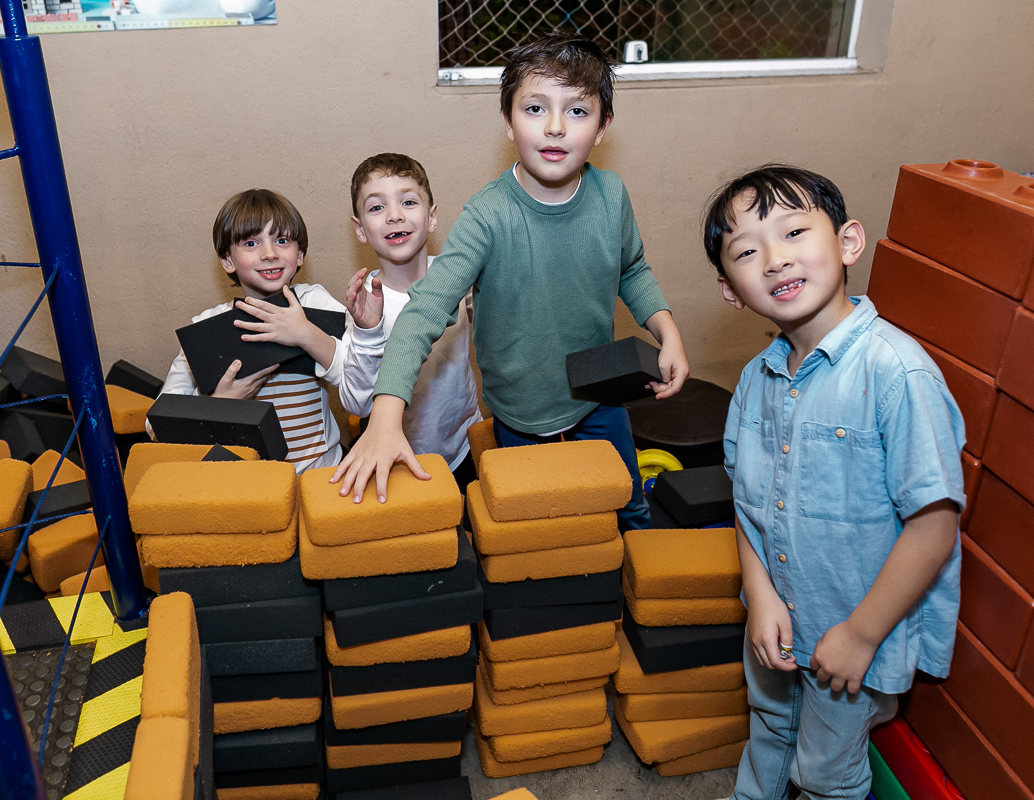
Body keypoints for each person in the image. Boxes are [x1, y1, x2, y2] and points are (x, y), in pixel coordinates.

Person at [332, 32, 689, 529]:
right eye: (536, 109)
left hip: (598, 394)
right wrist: (386, 418)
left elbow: (632, 267)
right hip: (519, 412)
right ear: (508, 122)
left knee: (628, 507)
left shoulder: (612, 195)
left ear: (603, 127)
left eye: (578, 112)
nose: (557, 128)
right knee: (536, 527)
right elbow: (421, 313)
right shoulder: (486, 217)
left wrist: (667, 331)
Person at [704, 164, 964, 800]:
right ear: (730, 289)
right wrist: (759, 593)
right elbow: (747, 505)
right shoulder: (754, 382)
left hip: (853, 632)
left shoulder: (896, 373)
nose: (775, 259)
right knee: (768, 731)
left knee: (825, 771)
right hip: (775, 623)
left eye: (794, 231)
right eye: (747, 250)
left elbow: (934, 525)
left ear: (848, 242)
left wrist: (859, 635)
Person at [155, 188, 349, 472]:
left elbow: (362, 381)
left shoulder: (314, 303)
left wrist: (306, 334)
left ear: (300, 255)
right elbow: (157, 425)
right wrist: (220, 405)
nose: (269, 254)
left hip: (322, 475)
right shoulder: (207, 328)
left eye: (282, 240)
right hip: (250, 487)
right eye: (251, 243)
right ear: (227, 261)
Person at [340, 153, 483, 492]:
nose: (394, 215)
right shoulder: (366, 303)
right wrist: (367, 332)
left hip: (463, 445)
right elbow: (356, 403)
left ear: (431, 218)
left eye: (407, 201)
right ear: (360, 228)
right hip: (397, 459)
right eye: (376, 208)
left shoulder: (455, 277)